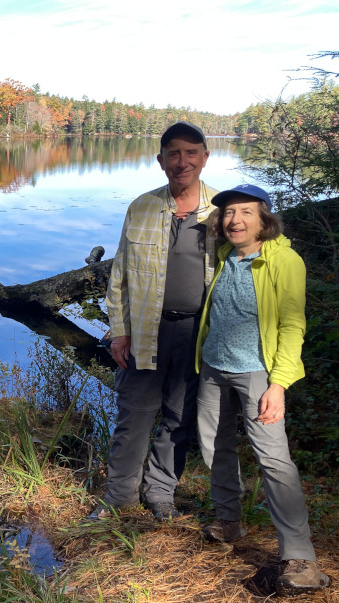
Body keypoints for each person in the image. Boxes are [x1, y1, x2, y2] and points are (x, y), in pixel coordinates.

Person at [195, 184, 330, 596]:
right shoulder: (223, 256)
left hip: (258, 374)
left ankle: (300, 556)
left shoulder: (283, 260)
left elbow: (292, 324)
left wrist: (279, 383)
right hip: (214, 368)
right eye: (229, 213)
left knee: (274, 459)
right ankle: (229, 520)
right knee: (213, 446)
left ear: (264, 218)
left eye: (246, 212)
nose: (235, 220)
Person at [93, 122, 218, 521]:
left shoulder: (223, 211)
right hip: (146, 330)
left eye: (191, 153)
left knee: (179, 419)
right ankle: (120, 499)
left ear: (204, 157)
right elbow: (121, 276)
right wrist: (119, 330)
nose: (182, 162)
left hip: (197, 334)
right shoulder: (142, 207)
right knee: (134, 416)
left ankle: (161, 492)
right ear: (160, 160)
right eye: (174, 154)